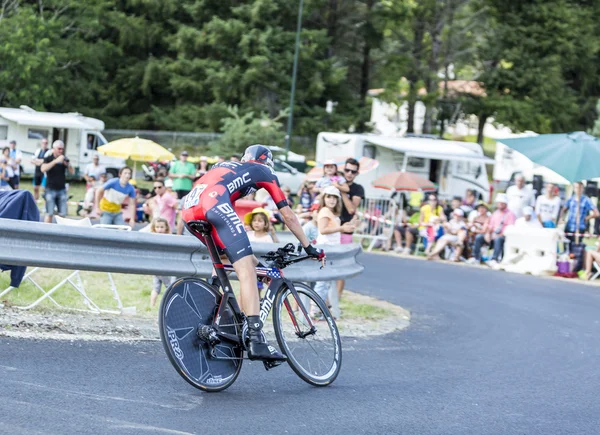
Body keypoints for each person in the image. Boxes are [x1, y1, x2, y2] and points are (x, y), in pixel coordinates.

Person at [181, 144, 324, 362]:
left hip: (189, 210)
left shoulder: (227, 165)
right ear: (268, 162)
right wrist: (308, 246)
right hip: (214, 204)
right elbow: (288, 216)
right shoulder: (264, 171)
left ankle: (210, 307)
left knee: (230, 258)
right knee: (246, 269)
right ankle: (257, 340)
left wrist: (260, 266)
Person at [314, 186, 354, 319]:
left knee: (327, 282)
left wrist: (345, 227)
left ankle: (321, 308)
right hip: (325, 249)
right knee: (322, 281)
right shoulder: (325, 211)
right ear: (324, 198)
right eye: (329, 197)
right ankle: (314, 310)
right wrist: (341, 228)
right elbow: (323, 229)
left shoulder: (329, 212)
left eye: (334, 197)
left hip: (330, 250)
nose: (331, 200)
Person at [468, 193, 516, 266]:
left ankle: (494, 259)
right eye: (499, 203)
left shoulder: (510, 214)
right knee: (479, 237)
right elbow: (490, 226)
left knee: (498, 239)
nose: (500, 204)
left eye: (502, 203)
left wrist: (499, 234)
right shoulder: (495, 213)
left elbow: (510, 228)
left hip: (502, 236)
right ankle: (476, 257)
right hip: (492, 234)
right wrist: (487, 234)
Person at [41, 140, 74, 223]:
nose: (61, 151)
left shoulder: (64, 159)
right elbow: (43, 169)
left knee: (63, 214)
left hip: (61, 189)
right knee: (49, 213)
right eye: (59, 149)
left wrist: (68, 164)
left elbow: (72, 172)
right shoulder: (48, 158)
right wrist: (55, 161)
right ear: (54, 149)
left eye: (62, 149)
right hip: (50, 189)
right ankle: (45, 232)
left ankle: (61, 233)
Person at [561, 181, 599, 248]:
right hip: (569, 227)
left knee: (576, 248)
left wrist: (587, 218)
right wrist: (562, 219)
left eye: (579, 188)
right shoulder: (571, 199)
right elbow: (564, 209)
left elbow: (597, 213)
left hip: (580, 227)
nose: (578, 189)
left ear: (582, 189)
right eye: (576, 187)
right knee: (566, 247)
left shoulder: (586, 200)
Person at [150, 217, 176, 307]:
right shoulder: (153, 238)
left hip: (166, 266)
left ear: (166, 228)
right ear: (154, 228)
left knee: (167, 287)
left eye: (161, 227)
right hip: (159, 267)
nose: (159, 229)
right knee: (159, 287)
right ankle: (152, 305)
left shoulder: (169, 238)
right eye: (157, 227)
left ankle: (167, 305)